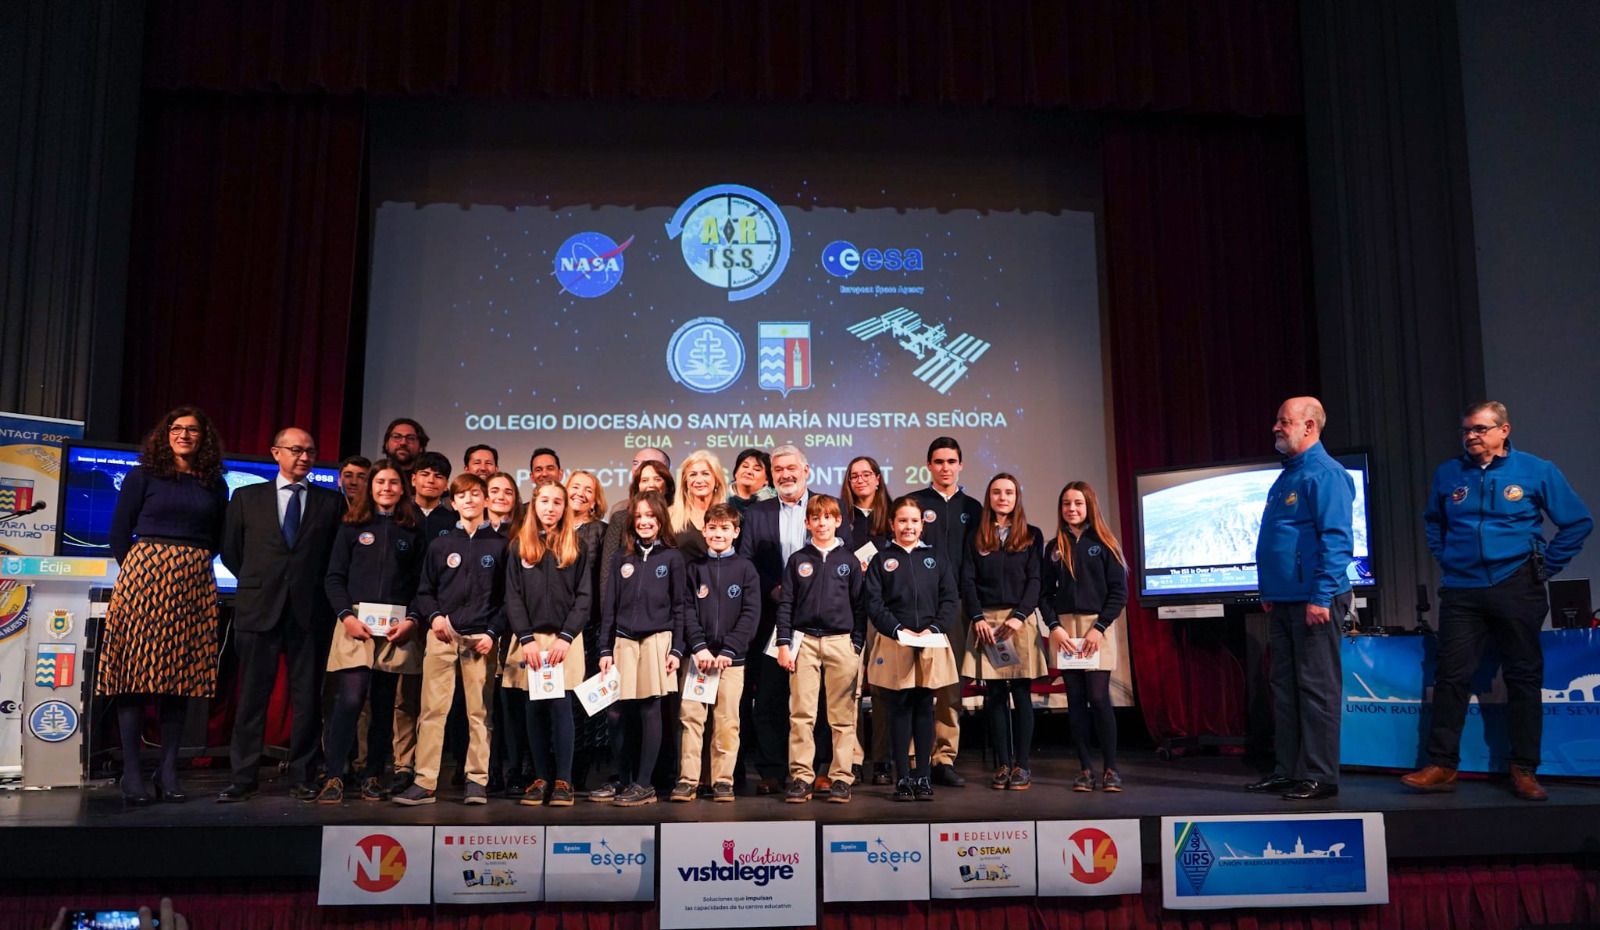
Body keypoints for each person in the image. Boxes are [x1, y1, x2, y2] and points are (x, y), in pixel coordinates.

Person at [1403, 401, 1592, 801]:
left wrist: (1544, 567)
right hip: (1462, 590)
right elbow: (1433, 522)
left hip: (1516, 586)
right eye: (1466, 430)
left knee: (1523, 677)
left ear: (1503, 430)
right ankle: (1442, 765)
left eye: (1480, 429)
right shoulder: (1449, 474)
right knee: (1451, 677)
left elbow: (1578, 521)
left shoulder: (1537, 470)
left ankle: (1523, 769)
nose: (1471, 436)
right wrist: (1447, 560)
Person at [98, 406, 229, 805]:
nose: (184, 435)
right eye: (177, 428)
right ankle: (133, 775)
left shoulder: (213, 484)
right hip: (145, 579)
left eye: (192, 429)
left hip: (193, 580)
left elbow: (218, 537)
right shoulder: (143, 475)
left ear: (203, 437)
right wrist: (143, 570)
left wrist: (187, 565)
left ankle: (168, 770)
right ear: (165, 434)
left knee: (180, 680)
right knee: (135, 677)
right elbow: (120, 532)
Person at [219, 427, 345, 802]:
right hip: (259, 609)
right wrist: (263, 584)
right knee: (252, 697)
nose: (304, 457)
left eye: (310, 451)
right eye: (295, 450)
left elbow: (332, 560)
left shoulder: (331, 502)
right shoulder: (245, 498)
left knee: (307, 698)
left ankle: (303, 773)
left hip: (310, 613)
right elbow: (231, 552)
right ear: (276, 453)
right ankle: (243, 776)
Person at [1244, 396, 1355, 802]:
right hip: (1286, 600)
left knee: (1316, 688)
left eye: (1284, 421)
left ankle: (1320, 775)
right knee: (1285, 689)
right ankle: (1288, 770)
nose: (1276, 427)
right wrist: (1271, 591)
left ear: (1310, 427)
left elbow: (1338, 541)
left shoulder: (1324, 474)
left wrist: (1322, 595)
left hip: (1315, 600)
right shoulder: (1289, 474)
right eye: (1277, 420)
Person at [393, 473, 507, 805]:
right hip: (442, 638)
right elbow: (424, 591)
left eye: (476, 494)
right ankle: (425, 781)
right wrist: (436, 616)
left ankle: (476, 780)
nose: (469, 500)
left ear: (486, 500)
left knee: (479, 713)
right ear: (453, 502)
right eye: (462, 495)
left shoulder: (501, 546)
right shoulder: (440, 545)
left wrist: (492, 632)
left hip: (481, 640)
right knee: (432, 711)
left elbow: (507, 600)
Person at [318, 460, 425, 803]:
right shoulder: (351, 526)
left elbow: (422, 585)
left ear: (402, 488)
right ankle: (334, 774)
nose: (387, 488)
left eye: (394, 483)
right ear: (370, 486)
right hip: (355, 625)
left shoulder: (412, 530)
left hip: (396, 629)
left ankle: (373, 775)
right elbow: (334, 577)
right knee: (349, 700)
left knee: (383, 705)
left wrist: (412, 620)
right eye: (380, 482)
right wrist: (347, 616)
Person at [864, 496, 959, 801]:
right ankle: (902, 778)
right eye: (902, 520)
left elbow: (949, 599)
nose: (909, 526)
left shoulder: (936, 558)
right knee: (899, 707)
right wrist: (897, 629)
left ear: (922, 524)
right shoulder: (882, 560)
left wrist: (933, 628)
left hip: (930, 641)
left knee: (924, 707)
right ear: (892, 524)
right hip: (895, 641)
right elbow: (874, 603)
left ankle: (923, 777)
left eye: (914, 521)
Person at [591, 458, 675, 801]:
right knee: (615, 712)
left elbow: (681, 606)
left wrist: (678, 648)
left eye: (650, 517)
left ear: (660, 521)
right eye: (639, 517)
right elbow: (609, 607)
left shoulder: (672, 558)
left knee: (650, 709)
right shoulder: (620, 559)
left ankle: (645, 783)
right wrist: (605, 649)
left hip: (658, 641)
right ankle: (622, 778)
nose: (644, 522)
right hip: (622, 643)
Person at [738, 444, 819, 793]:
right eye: (779, 469)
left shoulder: (826, 507)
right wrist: (773, 591)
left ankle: (816, 768)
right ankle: (771, 770)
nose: (786, 474)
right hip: (771, 619)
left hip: (818, 617)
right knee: (769, 697)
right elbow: (746, 563)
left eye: (792, 468)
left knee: (817, 700)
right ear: (772, 476)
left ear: (806, 471)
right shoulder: (757, 514)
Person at [506, 482, 593, 807]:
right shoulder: (519, 546)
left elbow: (584, 597)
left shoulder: (576, 545)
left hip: (564, 641)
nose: (551, 508)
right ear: (534, 504)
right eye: (544, 501)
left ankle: (563, 781)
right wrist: (525, 639)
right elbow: (513, 596)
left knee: (561, 709)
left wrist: (567, 636)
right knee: (533, 708)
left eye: (558, 502)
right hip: (529, 640)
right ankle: (541, 776)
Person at [775, 494, 866, 803]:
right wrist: (784, 644)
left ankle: (841, 777)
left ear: (838, 521)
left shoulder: (849, 560)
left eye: (827, 517)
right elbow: (785, 604)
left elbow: (860, 606)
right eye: (815, 518)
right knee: (801, 714)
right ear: (807, 523)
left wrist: (856, 645)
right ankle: (801, 776)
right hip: (804, 642)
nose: (821, 523)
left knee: (842, 716)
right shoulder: (798, 560)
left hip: (841, 643)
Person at [960, 474, 1047, 790]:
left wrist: (1020, 616)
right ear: (989, 497)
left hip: (1019, 621)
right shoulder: (975, 536)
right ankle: (1002, 764)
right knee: (995, 695)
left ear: (1016, 498)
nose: (1002, 497)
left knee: (1021, 693)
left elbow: (1036, 581)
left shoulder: (1032, 535)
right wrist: (977, 617)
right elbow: (967, 581)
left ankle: (1022, 766)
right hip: (988, 623)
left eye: (1008, 492)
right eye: (996, 492)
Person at [670, 502, 760, 803]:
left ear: (735, 532)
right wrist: (699, 647)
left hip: (731, 662)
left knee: (727, 721)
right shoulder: (693, 569)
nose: (718, 533)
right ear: (704, 531)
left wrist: (731, 649)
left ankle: (723, 781)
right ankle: (688, 780)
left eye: (725, 528)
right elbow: (686, 610)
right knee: (691, 719)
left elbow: (751, 614)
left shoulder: (746, 569)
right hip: (699, 660)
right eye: (712, 528)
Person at [1042, 481, 1128, 792]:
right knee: (1075, 701)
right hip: (1065, 631)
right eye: (1066, 503)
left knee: (1098, 697)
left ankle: (1111, 769)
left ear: (1089, 505)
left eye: (1077, 503)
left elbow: (1119, 593)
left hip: (1097, 628)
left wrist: (1099, 627)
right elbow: (1044, 595)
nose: (1072, 509)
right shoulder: (1053, 548)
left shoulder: (1106, 543)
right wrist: (1055, 627)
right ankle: (1084, 770)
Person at [910, 437, 982, 787]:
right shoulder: (914, 504)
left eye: (951, 461)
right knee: (912, 684)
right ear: (929, 466)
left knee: (950, 687)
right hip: (915, 609)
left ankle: (944, 758)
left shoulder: (973, 507)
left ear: (960, 465)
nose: (945, 467)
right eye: (938, 461)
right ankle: (913, 757)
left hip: (955, 609)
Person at [840, 455, 894, 783]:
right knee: (852, 689)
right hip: (848, 610)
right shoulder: (841, 517)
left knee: (885, 687)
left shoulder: (893, 516)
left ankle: (883, 759)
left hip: (885, 611)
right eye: (853, 476)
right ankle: (853, 758)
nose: (859, 480)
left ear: (877, 478)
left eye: (865, 474)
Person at [485, 471, 526, 793]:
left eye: (507, 491)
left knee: (511, 706)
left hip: (512, 630)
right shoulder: (474, 536)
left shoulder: (521, 539)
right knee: (483, 707)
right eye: (494, 490)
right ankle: (488, 770)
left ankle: (514, 771)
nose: (500, 496)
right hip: (481, 630)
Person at [670, 449, 728, 562]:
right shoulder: (670, 515)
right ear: (685, 482)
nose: (699, 480)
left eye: (705, 474)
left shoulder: (729, 517)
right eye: (693, 474)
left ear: (717, 480)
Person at [411, 451, 456, 541]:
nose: (431, 480)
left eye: (438, 476)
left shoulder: (455, 520)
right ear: (413, 479)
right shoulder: (400, 516)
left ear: (446, 485)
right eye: (425, 474)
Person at [728, 448, 775, 514]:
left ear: (767, 479)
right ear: (736, 472)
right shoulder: (719, 497)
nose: (749, 472)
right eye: (745, 466)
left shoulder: (775, 502)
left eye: (756, 469)